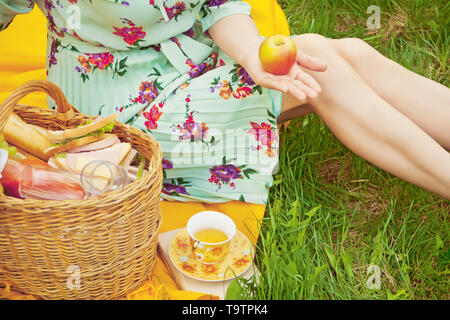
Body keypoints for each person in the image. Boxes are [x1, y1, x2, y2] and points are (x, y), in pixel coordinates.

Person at [1, 0, 449, 204]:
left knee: (345, 53)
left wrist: (254, 53)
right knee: (322, 69)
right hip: (118, 116)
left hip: (187, 60)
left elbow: (217, 5)